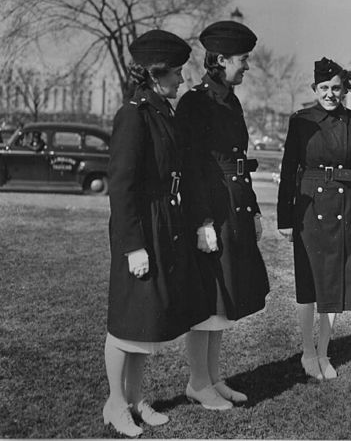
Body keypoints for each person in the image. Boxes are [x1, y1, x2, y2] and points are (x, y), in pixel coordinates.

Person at [103, 30, 210, 437]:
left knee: (144, 320)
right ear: (155, 73)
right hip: (140, 230)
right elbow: (122, 185)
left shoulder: (159, 110)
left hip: (161, 225)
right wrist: (133, 246)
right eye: (177, 72)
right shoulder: (133, 114)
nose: (182, 80)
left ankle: (135, 398)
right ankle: (115, 403)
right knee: (125, 321)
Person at [176, 20, 270, 410]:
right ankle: (198, 382)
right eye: (242, 60)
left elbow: (236, 162)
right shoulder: (196, 102)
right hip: (211, 213)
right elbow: (192, 167)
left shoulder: (229, 100)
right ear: (219, 60)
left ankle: (213, 377)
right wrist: (202, 222)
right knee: (207, 300)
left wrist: (254, 211)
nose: (247, 66)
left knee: (223, 298)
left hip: (234, 209)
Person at [277, 57, 351, 381]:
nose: (330, 94)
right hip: (309, 209)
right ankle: (307, 354)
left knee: (335, 283)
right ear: (314, 89)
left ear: (344, 89)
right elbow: (287, 170)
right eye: (324, 88)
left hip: (345, 207)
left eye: (336, 88)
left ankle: (323, 352)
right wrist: (284, 217)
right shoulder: (301, 121)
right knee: (309, 283)